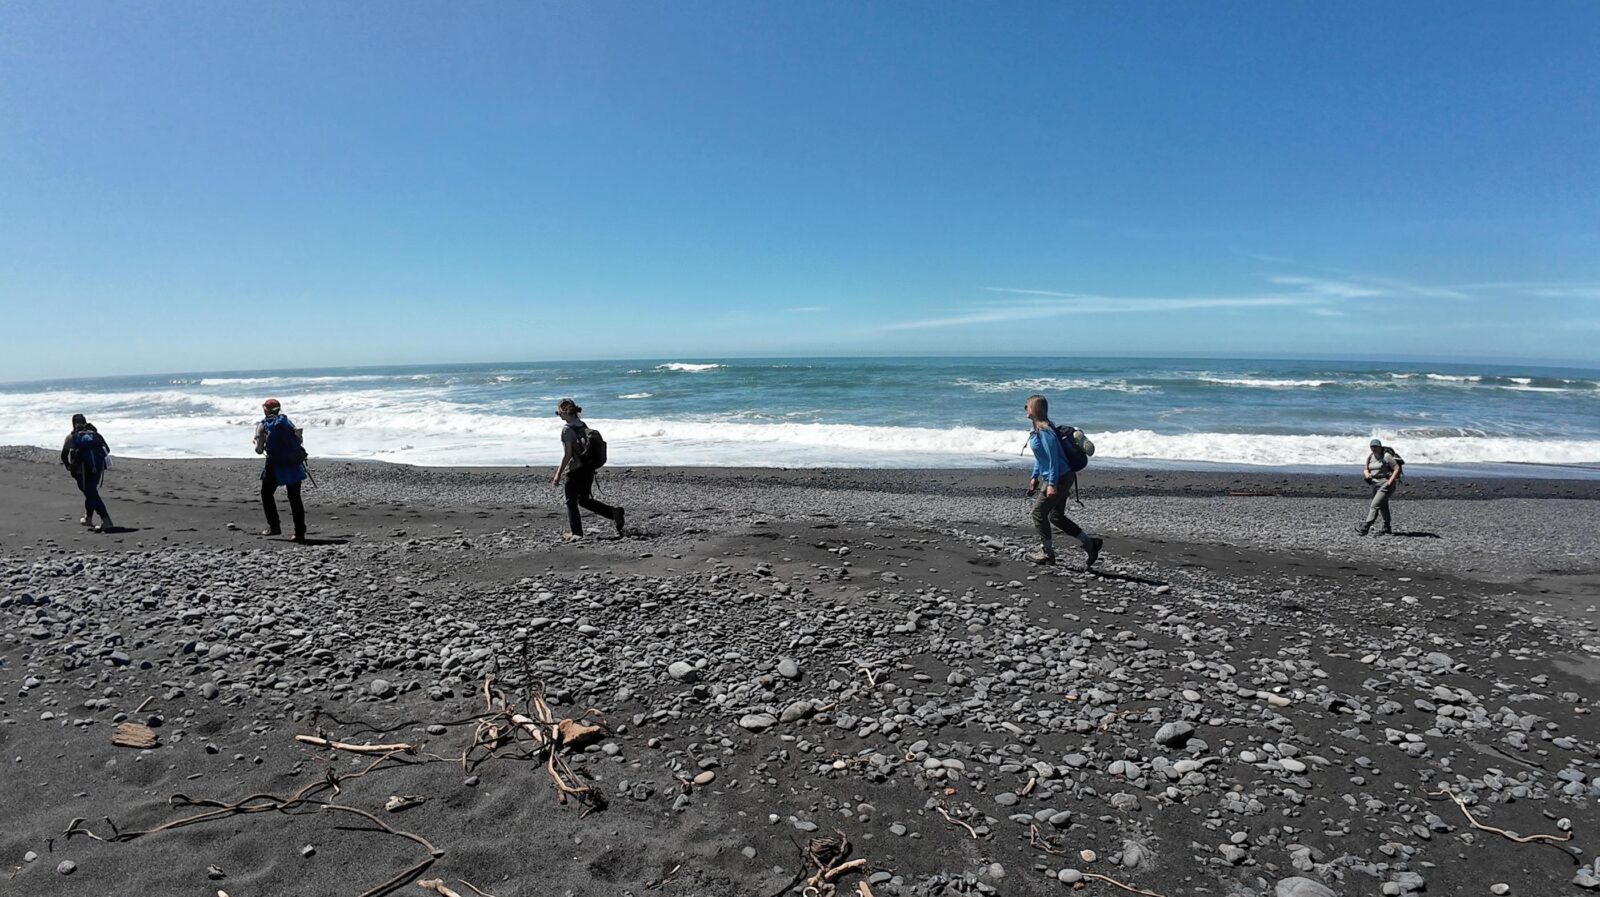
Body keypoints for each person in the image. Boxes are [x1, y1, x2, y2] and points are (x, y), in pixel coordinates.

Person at [1023, 394, 1102, 566]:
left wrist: (1051, 484)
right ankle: (1090, 543)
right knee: (1056, 517)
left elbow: (1052, 459)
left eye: (1027, 406)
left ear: (1035, 410)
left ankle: (1047, 553)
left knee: (1038, 514)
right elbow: (1040, 457)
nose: (1025, 409)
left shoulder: (1046, 431)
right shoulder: (1036, 430)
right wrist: (1034, 476)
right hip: (1059, 476)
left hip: (1059, 477)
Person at [551, 398, 624, 539]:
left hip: (576, 470)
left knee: (571, 501)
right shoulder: (582, 424)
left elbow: (568, 455)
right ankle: (613, 513)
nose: (558, 415)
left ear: (563, 411)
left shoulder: (567, 430)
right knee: (584, 500)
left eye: (558, 412)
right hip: (588, 468)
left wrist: (558, 474)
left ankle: (576, 533)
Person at [254, 398, 308, 541]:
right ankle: (299, 533)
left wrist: (257, 443)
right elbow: (298, 439)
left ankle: (274, 526)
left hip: (274, 464)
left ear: (265, 409)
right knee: (295, 498)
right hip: (293, 463)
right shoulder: (287, 422)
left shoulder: (263, 425)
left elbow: (259, 450)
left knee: (266, 493)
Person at [60, 413, 114, 532]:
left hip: (81, 470)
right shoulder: (95, 434)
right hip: (97, 467)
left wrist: (68, 466)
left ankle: (106, 520)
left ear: (73, 423)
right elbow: (107, 450)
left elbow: (64, 455)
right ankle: (88, 518)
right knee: (91, 492)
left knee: (91, 494)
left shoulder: (72, 436)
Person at [1358, 437, 1403, 536]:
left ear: (1380, 447)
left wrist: (1390, 481)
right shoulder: (1370, 456)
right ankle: (1387, 526)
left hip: (1385, 483)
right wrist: (1366, 474)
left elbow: (1396, 468)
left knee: (1374, 505)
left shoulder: (1386, 456)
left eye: (1376, 447)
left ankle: (1366, 526)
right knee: (1383, 505)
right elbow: (1366, 468)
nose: (1373, 449)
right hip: (1375, 483)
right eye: (1372, 447)